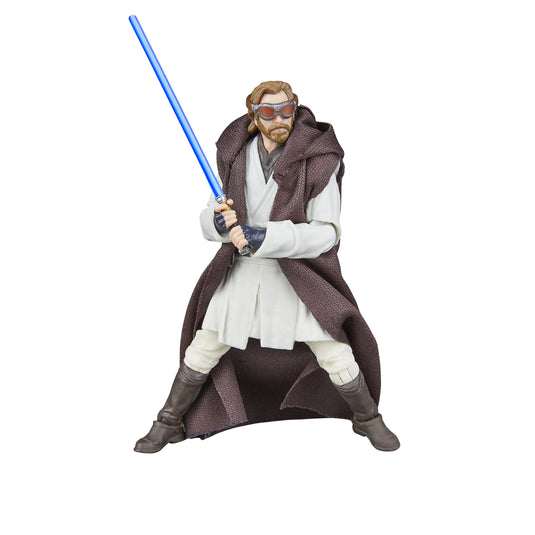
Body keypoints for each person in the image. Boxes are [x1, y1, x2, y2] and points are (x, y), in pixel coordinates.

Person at [135, 81, 399, 453]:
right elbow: (210, 215)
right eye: (269, 112)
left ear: (296, 108)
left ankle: (367, 418)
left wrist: (265, 236)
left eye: (287, 110)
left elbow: (326, 232)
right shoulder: (235, 156)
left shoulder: (318, 160)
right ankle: (168, 421)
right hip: (242, 272)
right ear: (254, 115)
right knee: (204, 347)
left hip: (294, 277)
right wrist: (218, 223)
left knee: (333, 350)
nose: (280, 119)